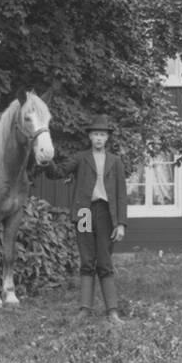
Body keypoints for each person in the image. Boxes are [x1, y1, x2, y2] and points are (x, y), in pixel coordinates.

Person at [42, 115, 128, 323]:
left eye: (102, 135)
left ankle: (113, 311)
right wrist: (46, 160)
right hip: (85, 213)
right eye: (96, 134)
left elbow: (122, 195)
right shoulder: (81, 158)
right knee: (87, 260)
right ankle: (84, 309)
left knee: (105, 261)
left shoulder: (115, 162)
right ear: (90, 137)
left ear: (107, 138)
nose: (99, 138)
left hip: (107, 214)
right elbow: (59, 172)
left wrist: (121, 224)